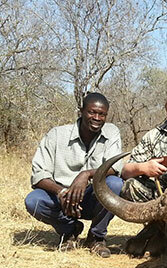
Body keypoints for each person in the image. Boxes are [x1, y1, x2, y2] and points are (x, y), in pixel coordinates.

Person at [24, 92, 124, 258]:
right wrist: (61, 192)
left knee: (115, 184)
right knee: (33, 201)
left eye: (102, 114)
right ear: (81, 111)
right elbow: (38, 175)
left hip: (92, 197)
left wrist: (86, 175)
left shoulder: (111, 132)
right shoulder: (56, 135)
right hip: (62, 198)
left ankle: (96, 237)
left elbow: (115, 167)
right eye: (92, 112)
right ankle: (69, 231)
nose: (97, 118)